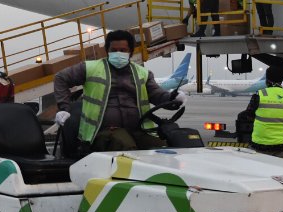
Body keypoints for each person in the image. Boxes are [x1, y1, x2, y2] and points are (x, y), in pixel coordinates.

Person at [54, 30, 186, 153]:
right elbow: (61, 78)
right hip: (102, 132)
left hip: (137, 130)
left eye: (123, 50)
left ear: (131, 52)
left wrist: (173, 98)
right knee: (127, 149)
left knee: (162, 149)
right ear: (107, 51)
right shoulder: (90, 68)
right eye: (114, 50)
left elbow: (157, 95)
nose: (118, 54)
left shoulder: (143, 73)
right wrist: (64, 108)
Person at [244, 66, 283, 157]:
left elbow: (248, 115)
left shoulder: (259, 95)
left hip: (261, 144)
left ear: (267, 80)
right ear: (282, 80)